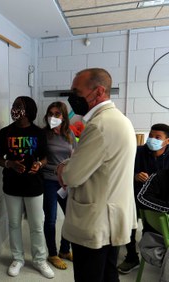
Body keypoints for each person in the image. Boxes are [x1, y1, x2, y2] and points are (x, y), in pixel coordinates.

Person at [56, 68, 137, 282]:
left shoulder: (99, 126)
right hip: (111, 216)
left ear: (99, 91)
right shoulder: (119, 119)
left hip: (96, 221)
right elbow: (96, 164)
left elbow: (72, 176)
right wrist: (70, 164)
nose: (72, 97)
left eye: (76, 91)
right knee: (108, 274)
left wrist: (62, 167)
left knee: (90, 277)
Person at [0, 96, 54, 279]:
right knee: (14, 224)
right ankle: (17, 259)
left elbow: (45, 158)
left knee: (36, 225)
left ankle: (39, 260)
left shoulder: (39, 133)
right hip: (11, 186)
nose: (14, 109)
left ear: (28, 110)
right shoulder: (5, 132)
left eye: (18, 106)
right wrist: (10, 164)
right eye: (13, 106)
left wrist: (39, 165)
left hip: (34, 185)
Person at [117, 123, 169, 274]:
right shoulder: (138, 152)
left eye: (157, 137)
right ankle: (132, 257)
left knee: (154, 228)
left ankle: (159, 255)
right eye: (151, 136)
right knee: (129, 227)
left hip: (159, 202)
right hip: (135, 197)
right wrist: (134, 176)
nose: (152, 139)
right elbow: (121, 173)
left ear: (167, 141)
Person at [42, 101, 77, 270]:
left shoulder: (69, 134)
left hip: (66, 183)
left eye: (57, 114)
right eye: (50, 113)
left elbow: (76, 155)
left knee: (71, 217)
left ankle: (64, 250)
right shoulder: (43, 134)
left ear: (63, 117)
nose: (53, 117)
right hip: (48, 180)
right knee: (51, 219)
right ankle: (53, 254)